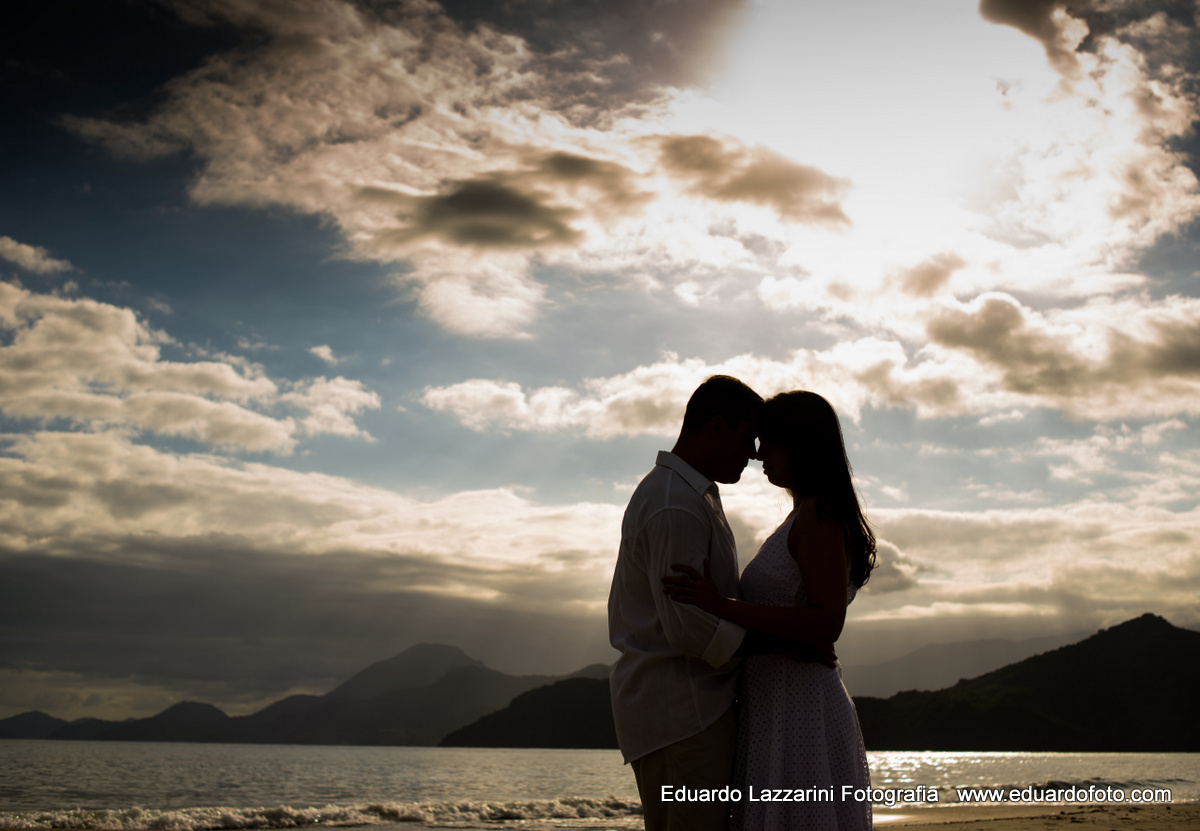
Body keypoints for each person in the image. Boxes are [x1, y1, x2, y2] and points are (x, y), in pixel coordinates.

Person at [663, 390, 876, 830]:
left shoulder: (818, 516)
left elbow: (826, 622)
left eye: (769, 441)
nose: (758, 455)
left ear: (799, 443)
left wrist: (723, 605)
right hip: (776, 700)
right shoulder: (802, 517)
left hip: (799, 705)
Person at [607, 375, 761, 831]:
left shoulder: (686, 495)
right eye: (747, 437)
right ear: (717, 426)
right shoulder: (676, 503)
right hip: (684, 715)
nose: (753, 453)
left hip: (683, 712)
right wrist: (776, 644)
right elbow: (687, 627)